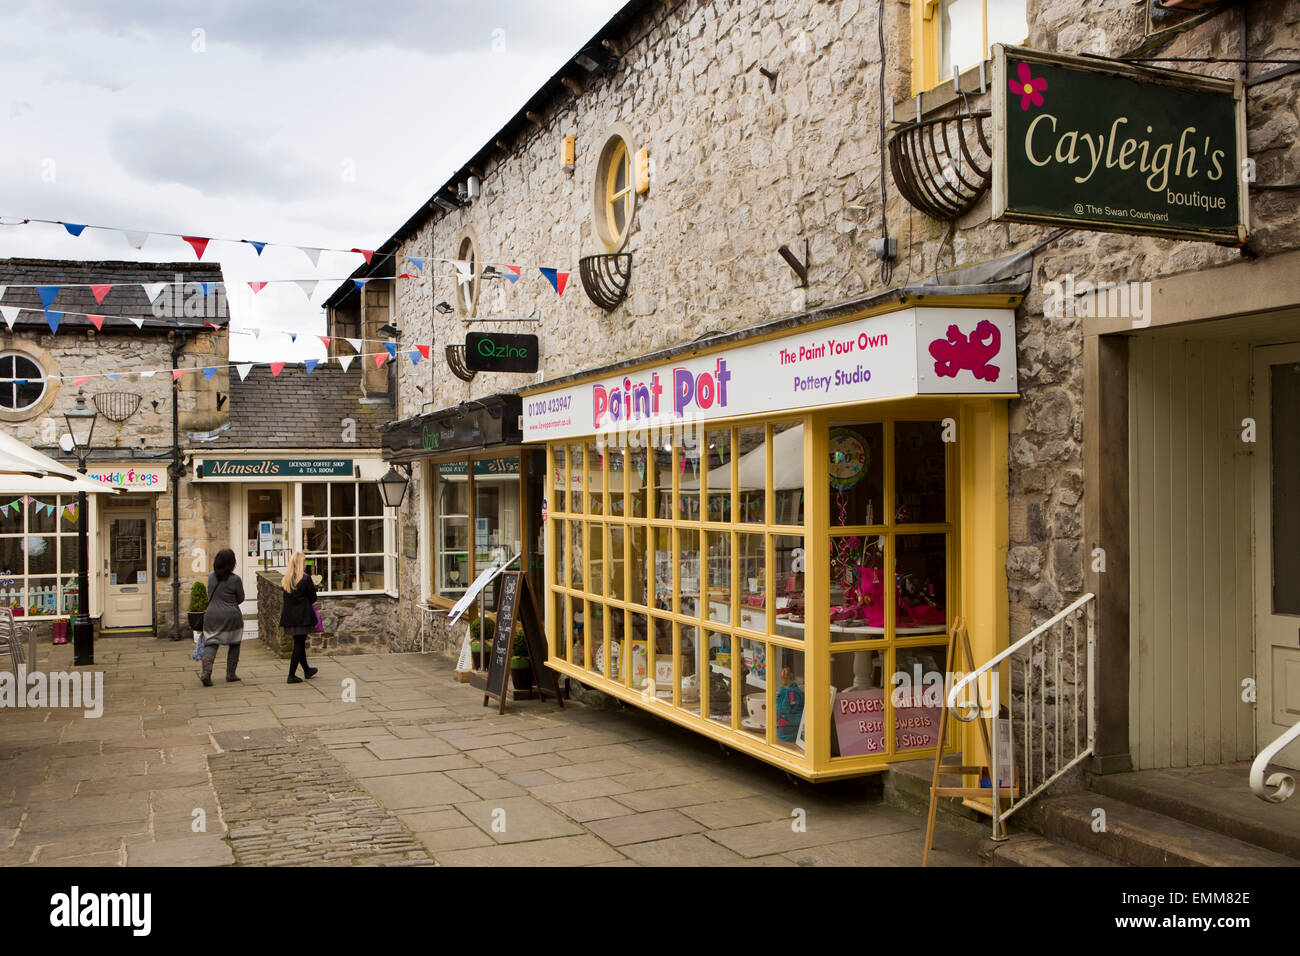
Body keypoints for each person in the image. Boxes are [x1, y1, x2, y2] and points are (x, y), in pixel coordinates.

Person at [200, 549, 244, 686]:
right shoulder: (235, 579)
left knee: (211, 643)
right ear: (232, 563)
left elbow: (209, 594)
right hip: (231, 616)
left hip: (212, 615)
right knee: (234, 643)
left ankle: (206, 672)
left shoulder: (211, 577)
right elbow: (240, 598)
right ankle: (230, 674)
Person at [280, 551, 319, 684]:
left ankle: (307, 670)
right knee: (298, 645)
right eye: (304, 561)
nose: (306, 563)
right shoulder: (305, 579)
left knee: (299, 643)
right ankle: (291, 675)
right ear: (301, 563)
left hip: (290, 617)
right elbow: (313, 598)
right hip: (302, 617)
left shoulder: (286, 579)